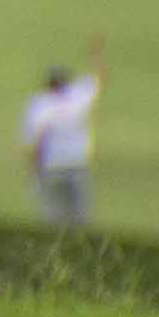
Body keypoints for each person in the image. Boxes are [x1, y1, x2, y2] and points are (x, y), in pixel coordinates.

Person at [20, 43, 102, 231]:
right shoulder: (77, 98)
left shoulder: (40, 105)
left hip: (51, 168)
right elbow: (99, 79)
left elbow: (35, 143)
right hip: (77, 166)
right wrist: (97, 53)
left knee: (53, 222)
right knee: (81, 221)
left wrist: (32, 171)